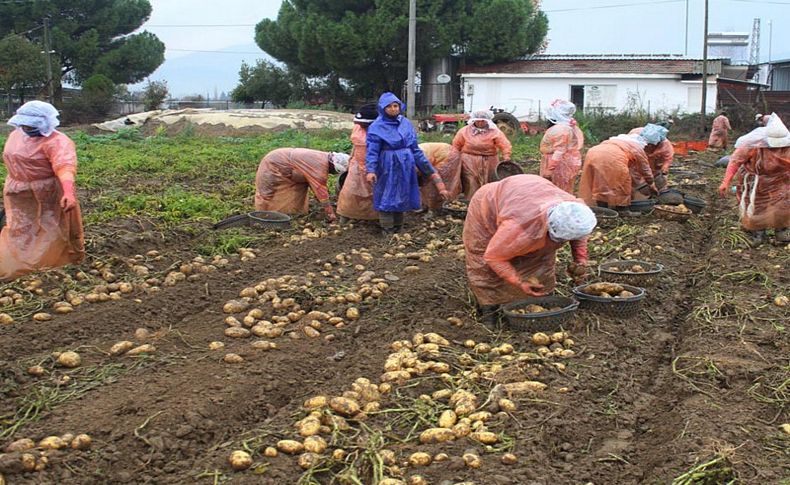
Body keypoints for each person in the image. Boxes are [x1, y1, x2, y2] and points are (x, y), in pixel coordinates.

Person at [463, 175, 596, 326]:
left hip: (529, 195)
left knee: (541, 261)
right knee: (485, 266)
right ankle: (489, 310)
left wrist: (580, 260)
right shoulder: (519, 227)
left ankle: (540, 302)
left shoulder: (576, 212)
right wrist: (518, 282)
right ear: (549, 227)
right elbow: (494, 257)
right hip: (488, 208)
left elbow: (579, 236)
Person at [1, 101, 84, 281]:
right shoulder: (16, 136)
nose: (26, 127)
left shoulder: (58, 142)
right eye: (24, 123)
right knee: (19, 226)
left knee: (50, 227)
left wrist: (68, 193)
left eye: (31, 124)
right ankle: (17, 262)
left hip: (48, 193)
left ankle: (48, 264)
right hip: (18, 192)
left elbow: (65, 167)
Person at [365, 92, 449, 234]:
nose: (393, 109)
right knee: (387, 193)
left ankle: (399, 227)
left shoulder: (405, 123)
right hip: (387, 164)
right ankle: (387, 228)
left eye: (396, 106)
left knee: (403, 193)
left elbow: (415, 148)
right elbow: (372, 151)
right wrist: (371, 170)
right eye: (389, 106)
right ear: (382, 108)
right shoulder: (376, 127)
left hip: (405, 164)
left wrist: (427, 168)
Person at [718, 113, 790, 246]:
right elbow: (735, 161)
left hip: (782, 180)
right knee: (757, 205)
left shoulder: (787, 145)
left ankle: (781, 232)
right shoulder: (753, 144)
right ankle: (758, 233)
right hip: (757, 180)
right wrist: (726, 181)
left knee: (783, 205)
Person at [254, 148, 349, 222]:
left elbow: (315, 186)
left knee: (299, 188)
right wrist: (330, 214)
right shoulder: (319, 166)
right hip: (273, 165)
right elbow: (320, 190)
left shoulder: (322, 158)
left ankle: (291, 214)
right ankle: (263, 217)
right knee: (269, 194)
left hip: (284, 166)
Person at [578, 132, 658, 216]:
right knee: (623, 183)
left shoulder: (620, 140)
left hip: (593, 153)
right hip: (613, 157)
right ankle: (623, 210)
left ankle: (603, 209)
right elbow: (644, 169)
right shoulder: (637, 148)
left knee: (600, 182)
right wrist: (651, 184)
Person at [449, 110, 512, 199]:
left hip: (489, 160)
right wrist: (453, 158)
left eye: (483, 120)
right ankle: (472, 201)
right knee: (470, 181)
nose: (480, 122)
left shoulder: (494, 131)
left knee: (490, 182)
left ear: (487, 120)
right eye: (478, 120)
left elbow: (504, 144)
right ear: (474, 120)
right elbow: (456, 145)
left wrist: (506, 155)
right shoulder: (464, 131)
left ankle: (487, 201)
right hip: (469, 160)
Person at [336, 103, 378, 222]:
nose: (362, 126)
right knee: (349, 192)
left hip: (373, 165)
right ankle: (345, 217)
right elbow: (355, 145)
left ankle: (375, 218)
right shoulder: (358, 127)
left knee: (373, 193)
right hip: (356, 163)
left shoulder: (380, 130)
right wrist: (350, 159)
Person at [539, 99, 584, 193]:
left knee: (558, 189)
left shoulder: (561, 130)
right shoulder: (568, 126)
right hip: (563, 161)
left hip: (559, 164)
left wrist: (549, 170)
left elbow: (559, 151)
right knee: (564, 187)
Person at [628, 123, 673, 192]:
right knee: (634, 174)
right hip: (638, 157)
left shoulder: (666, 146)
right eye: (648, 144)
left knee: (655, 175)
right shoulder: (635, 134)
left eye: (652, 144)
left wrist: (664, 170)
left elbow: (668, 159)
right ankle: (635, 191)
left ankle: (657, 190)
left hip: (654, 161)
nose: (650, 146)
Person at [418, 142, 462, 210]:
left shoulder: (421, 161)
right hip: (435, 155)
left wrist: (442, 189)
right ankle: (425, 205)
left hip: (447, 155)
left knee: (433, 185)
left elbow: (433, 174)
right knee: (424, 182)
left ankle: (437, 206)